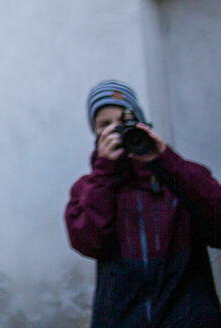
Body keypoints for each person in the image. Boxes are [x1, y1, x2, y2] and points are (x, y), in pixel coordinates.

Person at [65, 79, 221, 328]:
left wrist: (165, 160)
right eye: (105, 125)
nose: (116, 130)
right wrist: (105, 172)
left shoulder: (179, 176)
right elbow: (89, 242)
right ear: (95, 134)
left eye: (124, 121)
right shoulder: (88, 188)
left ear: (142, 123)